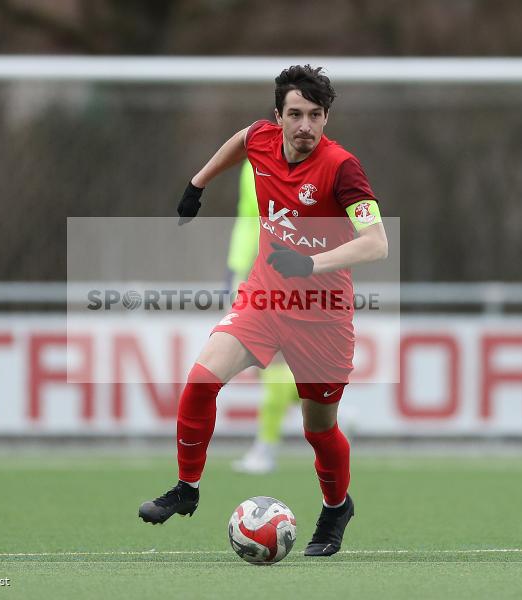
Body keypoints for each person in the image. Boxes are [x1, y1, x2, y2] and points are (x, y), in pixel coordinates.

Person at [139, 65, 388, 557]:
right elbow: (241, 140)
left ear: (326, 118)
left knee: (319, 429)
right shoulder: (262, 139)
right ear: (278, 116)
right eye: (295, 114)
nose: (305, 126)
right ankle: (187, 488)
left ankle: (336, 507)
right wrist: (197, 184)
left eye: (315, 115)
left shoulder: (342, 168)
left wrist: (310, 263)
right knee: (200, 381)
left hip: (323, 313)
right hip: (265, 298)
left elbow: (377, 243)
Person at [227, 159, 301, 475]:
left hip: (280, 271)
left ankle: (265, 449)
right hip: (256, 270)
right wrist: (237, 271)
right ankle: (334, 414)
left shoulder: (300, 162)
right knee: (270, 364)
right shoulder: (255, 164)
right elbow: (250, 219)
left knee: (273, 361)